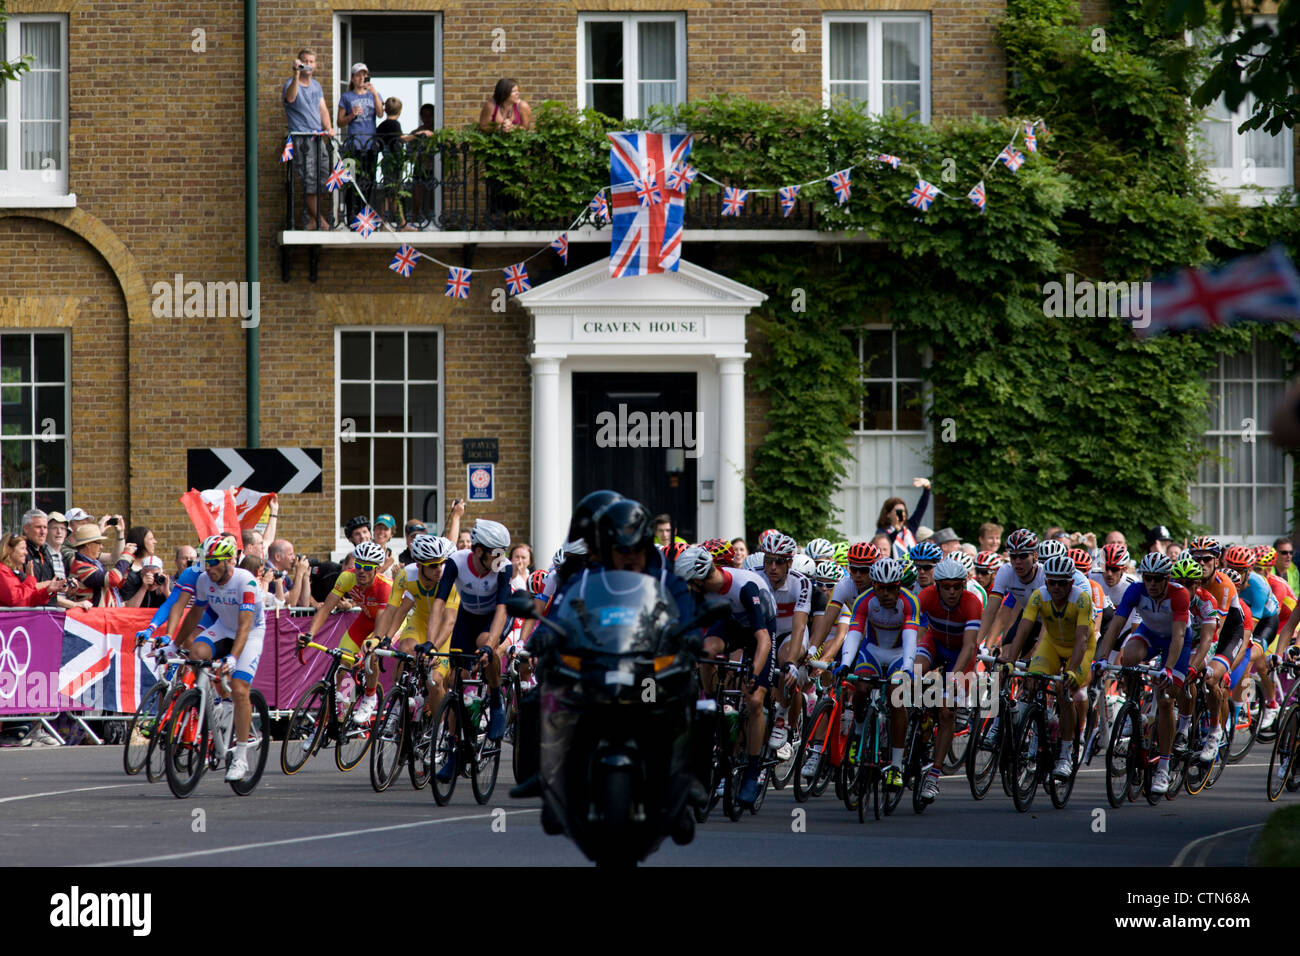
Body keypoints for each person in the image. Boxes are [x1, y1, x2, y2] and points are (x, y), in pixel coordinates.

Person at [173, 537, 266, 782]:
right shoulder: (204, 580)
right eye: (206, 562)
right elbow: (195, 614)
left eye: (214, 563)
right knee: (196, 653)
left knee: (239, 688)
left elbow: (245, 626)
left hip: (250, 633)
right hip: (224, 628)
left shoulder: (245, 581)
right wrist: (174, 644)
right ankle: (215, 703)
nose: (209, 568)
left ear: (229, 561)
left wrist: (234, 658)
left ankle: (241, 757)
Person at [423, 519, 515, 766]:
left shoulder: (504, 568)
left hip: (493, 618)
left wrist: (490, 645)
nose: (500, 558)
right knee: (457, 681)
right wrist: (430, 642)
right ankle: (456, 749)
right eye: (495, 554)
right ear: (478, 551)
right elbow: (439, 604)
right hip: (467, 617)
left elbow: (502, 609)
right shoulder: (457, 562)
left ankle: (496, 700)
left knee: (486, 643)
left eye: (502, 553)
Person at [299, 542, 392, 724]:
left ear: (378, 569)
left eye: (367, 568)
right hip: (365, 619)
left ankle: (370, 697)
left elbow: (381, 623)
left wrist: (375, 641)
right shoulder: (346, 578)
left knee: (372, 655)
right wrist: (309, 634)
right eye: (358, 565)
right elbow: (326, 609)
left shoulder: (385, 587)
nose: (361, 571)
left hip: (387, 622)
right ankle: (334, 715)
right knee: (342, 660)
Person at [283, 48, 337, 230]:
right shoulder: (291, 83)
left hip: (318, 138)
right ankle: (321, 221)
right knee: (309, 180)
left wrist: (328, 128)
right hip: (302, 139)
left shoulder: (317, 86)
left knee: (322, 180)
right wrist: (296, 74)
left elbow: (323, 109)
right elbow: (290, 98)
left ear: (316, 64)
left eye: (312, 61)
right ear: (299, 62)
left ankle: (313, 220)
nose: (309, 64)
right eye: (306, 61)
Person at [337, 62, 382, 221]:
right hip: (352, 146)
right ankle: (351, 216)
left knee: (369, 181)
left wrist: (375, 94)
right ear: (353, 78)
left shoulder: (373, 94)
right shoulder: (347, 97)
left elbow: (380, 113)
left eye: (364, 74)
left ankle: (366, 217)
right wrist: (352, 115)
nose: (362, 78)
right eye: (358, 75)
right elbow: (339, 122)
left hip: (370, 145)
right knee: (351, 181)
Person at [66, 524, 135, 607]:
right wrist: (126, 555)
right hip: (93, 617)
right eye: (99, 543)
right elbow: (113, 579)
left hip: (102, 616)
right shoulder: (81, 568)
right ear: (88, 545)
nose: (101, 547)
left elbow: (116, 583)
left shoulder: (93, 563)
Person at [0, 533, 66, 606]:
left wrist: (48, 591)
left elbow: (30, 600)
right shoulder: (2, 571)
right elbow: (16, 599)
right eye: (22, 548)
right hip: (10, 617)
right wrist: (30, 579)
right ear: (9, 550)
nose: (26, 552)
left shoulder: (12, 572)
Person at [875, 477, 932, 559]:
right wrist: (896, 530)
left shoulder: (910, 526)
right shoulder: (882, 531)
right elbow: (886, 542)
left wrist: (927, 488)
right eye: (898, 511)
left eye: (904, 511)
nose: (902, 514)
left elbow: (921, 508)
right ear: (888, 514)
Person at [266, 539, 312, 608]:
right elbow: (291, 602)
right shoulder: (270, 573)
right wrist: (299, 573)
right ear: (278, 557)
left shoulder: (283, 575)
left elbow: (304, 603)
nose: (294, 558)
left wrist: (305, 576)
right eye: (290, 554)